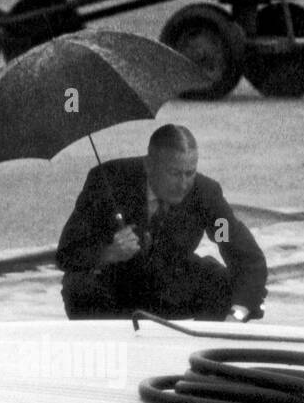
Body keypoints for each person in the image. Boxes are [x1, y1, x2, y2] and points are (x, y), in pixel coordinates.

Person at [56, 124, 268, 322]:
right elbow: (67, 254)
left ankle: (200, 344)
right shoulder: (108, 182)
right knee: (80, 285)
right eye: (174, 173)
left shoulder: (205, 194)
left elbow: (245, 257)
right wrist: (108, 253)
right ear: (149, 166)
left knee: (227, 285)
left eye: (190, 173)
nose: (183, 184)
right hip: (113, 289)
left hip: (168, 288)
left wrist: (237, 313)